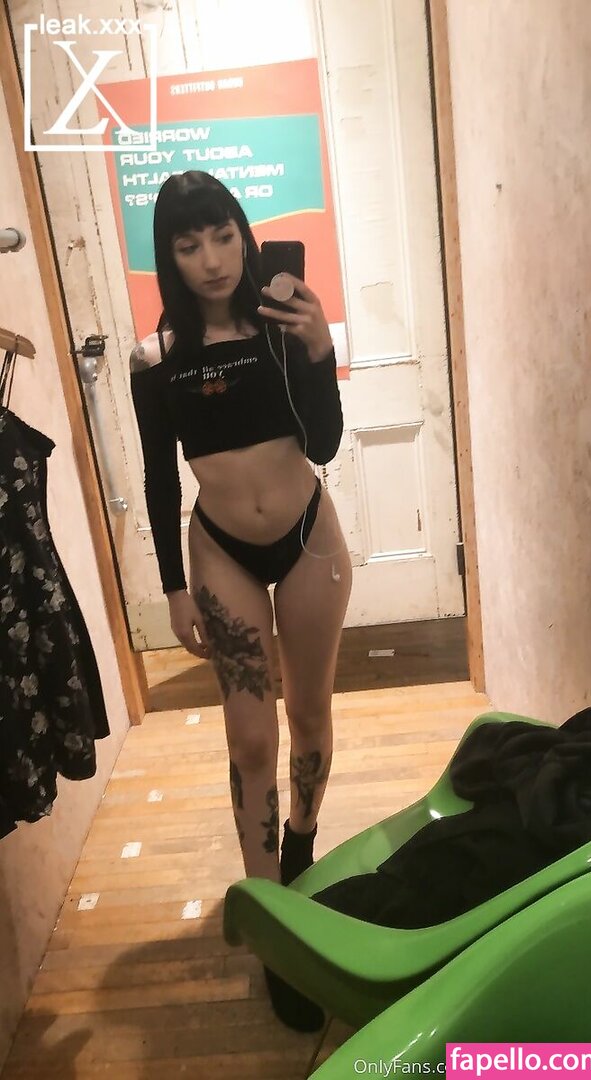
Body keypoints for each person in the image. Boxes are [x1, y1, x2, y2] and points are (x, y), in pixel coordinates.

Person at [129, 170, 352, 1030]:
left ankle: (302, 839)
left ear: (244, 234)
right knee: (250, 737)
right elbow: (158, 477)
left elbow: (323, 442)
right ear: (170, 257)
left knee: (311, 712)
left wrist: (319, 350)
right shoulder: (156, 360)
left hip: (308, 537)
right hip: (220, 551)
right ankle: (273, 924)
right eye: (189, 245)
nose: (213, 259)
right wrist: (172, 588)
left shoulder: (282, 325)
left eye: (223, 235)